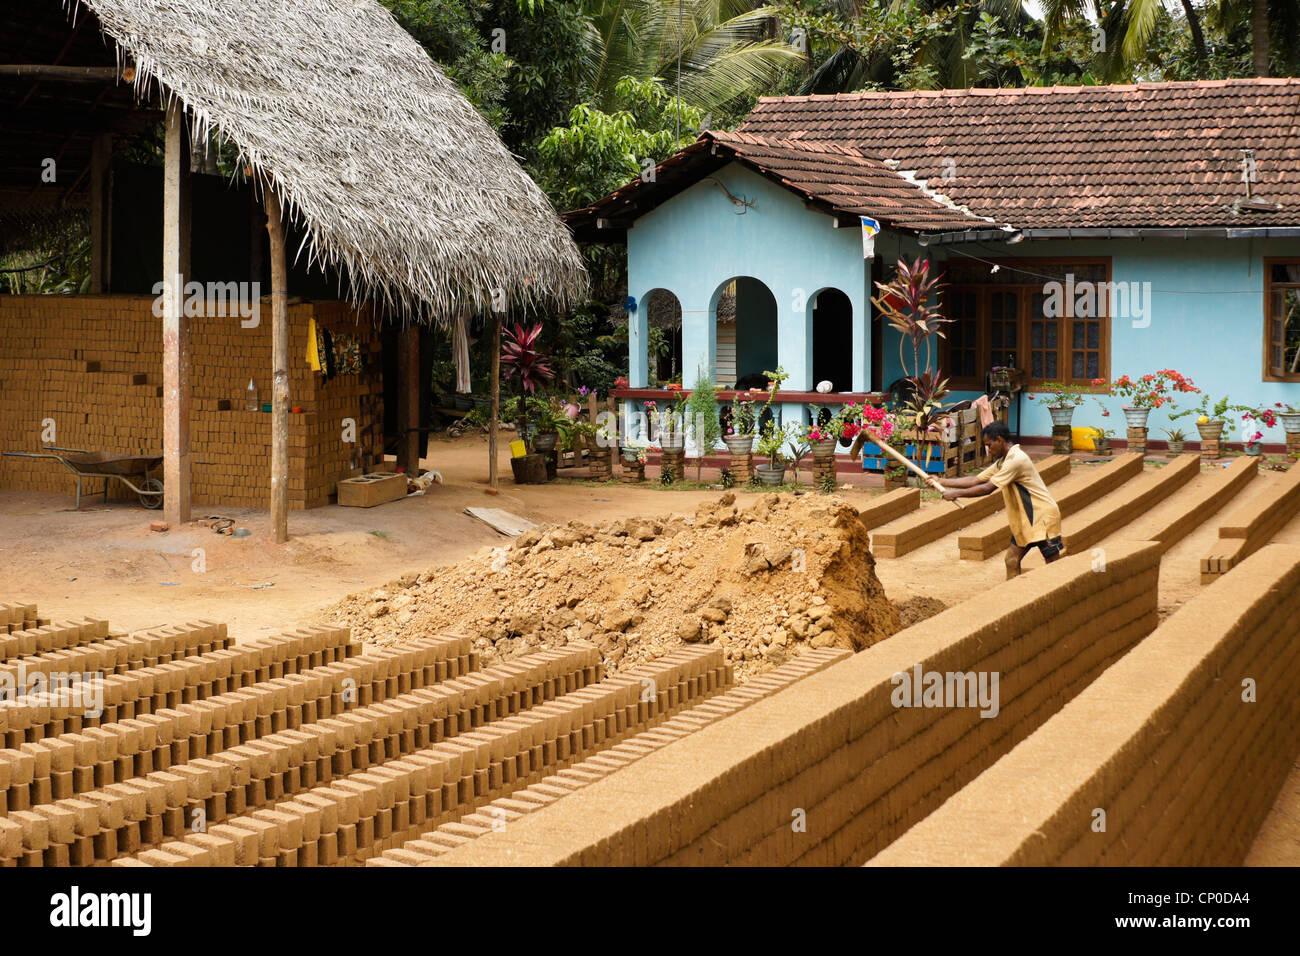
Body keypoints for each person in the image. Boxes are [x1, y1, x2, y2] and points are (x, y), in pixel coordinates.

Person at [930, 421, 1064, 579]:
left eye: (989, 445)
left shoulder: (1016, 460)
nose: (988, 450)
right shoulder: (1003, 462)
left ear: (999, 440)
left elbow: (987, 489)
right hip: (1026, 520)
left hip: (1041, 517)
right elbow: (976, 480)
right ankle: (1013, 598)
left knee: (1052, 564)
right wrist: (941, 482)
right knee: (1012, 560)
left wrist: (955, 494)